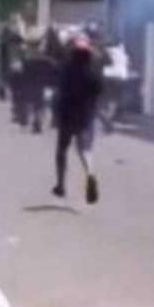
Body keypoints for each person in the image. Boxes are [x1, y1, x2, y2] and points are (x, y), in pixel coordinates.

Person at [52, 36, 104, 204]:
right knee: (84, 150)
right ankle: (90, 173)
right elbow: (98, 96)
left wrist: (55, 114)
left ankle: (60, 184)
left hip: (67, 115)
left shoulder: (66, 71)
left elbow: (59, 93)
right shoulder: (93, 74)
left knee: (62, 151)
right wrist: (103, 118)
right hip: (86, 116)